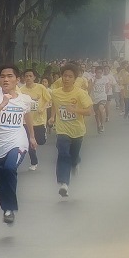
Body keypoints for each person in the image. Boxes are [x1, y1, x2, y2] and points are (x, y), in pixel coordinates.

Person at [0, 64, 36, 225]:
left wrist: (31, 136)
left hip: (17, 142)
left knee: (9, 168)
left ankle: (9, 209)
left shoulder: (24, 99)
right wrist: (2, 104)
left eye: (10, 76)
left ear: (18, 79)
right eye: (3, 76)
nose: (5, 79)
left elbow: (28, 116)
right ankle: (6, 207)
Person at [48, 62, 94, 199]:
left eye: (70, 76)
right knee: (63, 154)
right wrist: (52, 117)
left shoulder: (81, 93)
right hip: (62, 130)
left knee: (73, 156)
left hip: (78, 131)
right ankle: (64, 184)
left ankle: (76, 161)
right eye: (64, 76)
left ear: (75, 79)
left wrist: (75, 110)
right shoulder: (56, 93)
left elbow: (89, 111)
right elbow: (55, 105)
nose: (67, 79)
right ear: (61, 77)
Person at [19, 68, 51, 169]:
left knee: (40, 141)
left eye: (30, 76)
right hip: (27, 121)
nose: (28, 78)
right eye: (26, 76)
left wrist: (43, 107)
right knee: (30, 142)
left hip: (40, 120)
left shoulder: (41, 88)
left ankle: (42, 135)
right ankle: (34, 161)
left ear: (34, 78)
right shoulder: (21, 90)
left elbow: (49, 100)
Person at [89, 63, 109, 134]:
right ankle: (98, 125)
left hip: (102, 97)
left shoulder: (105, 79)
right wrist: (94, 83)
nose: (99, 74)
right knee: (97, 114)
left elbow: (107, 86)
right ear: (95, 72)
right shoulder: (92, 79)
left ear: (102, 72)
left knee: (101, 109)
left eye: (100, 72)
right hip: (94, 98)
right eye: (97, 72)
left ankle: (102, 125)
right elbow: (89, 89)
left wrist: (106, 91)